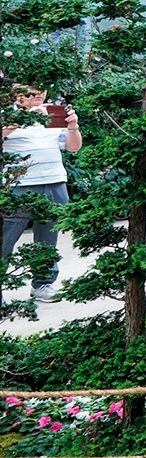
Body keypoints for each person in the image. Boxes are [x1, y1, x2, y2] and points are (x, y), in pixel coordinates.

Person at [2, 83, 81, 303]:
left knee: (48, 238)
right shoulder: (6, 114)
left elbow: (73, 147)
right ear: (17, 92)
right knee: (5, 239)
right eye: (33, 91)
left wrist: (72, 127)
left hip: (54, 181)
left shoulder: (53, 114)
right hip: (17, 187)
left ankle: (43, 283)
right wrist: (25, 119)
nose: (39, 95)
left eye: (42, 90)